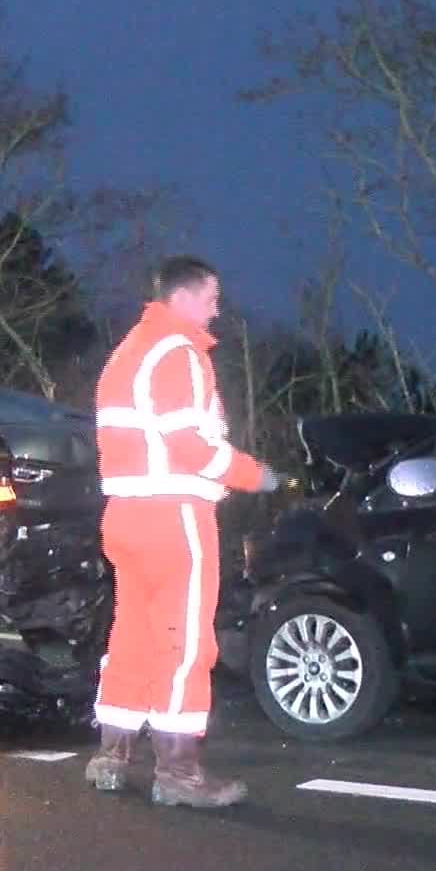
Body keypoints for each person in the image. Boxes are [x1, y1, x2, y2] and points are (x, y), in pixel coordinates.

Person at [87, 256, 285, 807]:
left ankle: (112, 756)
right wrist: (255, 475)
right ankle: (178, 773)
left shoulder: (128, 351)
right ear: (183, 297)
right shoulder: (180, 352)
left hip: (124, 514)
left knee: (132, 636)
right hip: (173, 516)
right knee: (185, 643)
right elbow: (191, 446)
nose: (217, 307)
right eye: (211, 296)